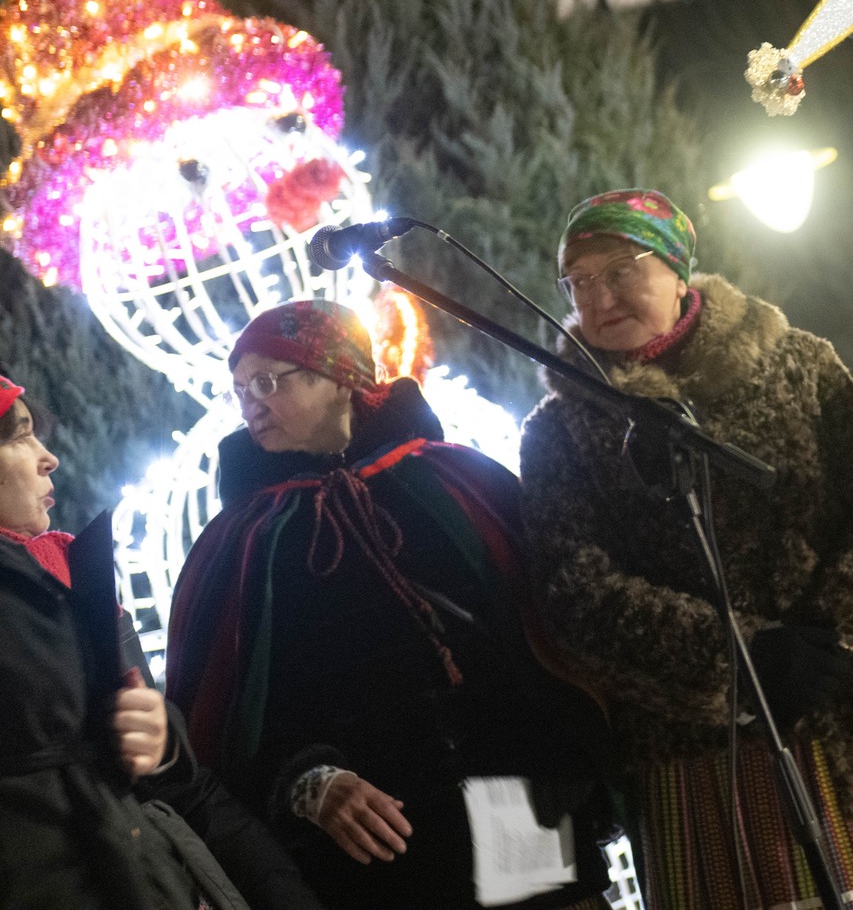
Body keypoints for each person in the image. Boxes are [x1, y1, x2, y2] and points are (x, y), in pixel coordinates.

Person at [518, 190, 853, 910]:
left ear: (678, 269)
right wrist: (741, 657)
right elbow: (577, 591)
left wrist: (837, 629)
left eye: (621, 270)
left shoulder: (796, 362)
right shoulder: (558, 432)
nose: (600, 297)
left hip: (848, 707)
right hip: (701, 759)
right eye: (580, 281)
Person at [166, 302, 613, 910]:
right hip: (375, 850)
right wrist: (307, 781)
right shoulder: (242, 541)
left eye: (268, 382)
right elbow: (223, 712)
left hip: (520, 805)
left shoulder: (458, 481)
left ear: (339, 376)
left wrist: (565, 763)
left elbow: (548, 633)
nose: (251, 405)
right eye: (240, 389)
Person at [2, 375, 323, 910]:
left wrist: (160, 744)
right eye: (19, 436)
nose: (48, 458)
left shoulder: (74, 578)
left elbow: (183, 788)